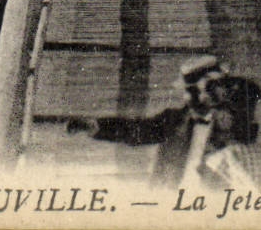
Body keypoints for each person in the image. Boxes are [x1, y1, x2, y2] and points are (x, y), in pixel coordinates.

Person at [72, 56, 227, 188]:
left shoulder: (235, 124)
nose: (194, 97)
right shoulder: (174, 120)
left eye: (207, 90)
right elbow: (135, 131)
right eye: (190, 92)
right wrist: (97, 127)